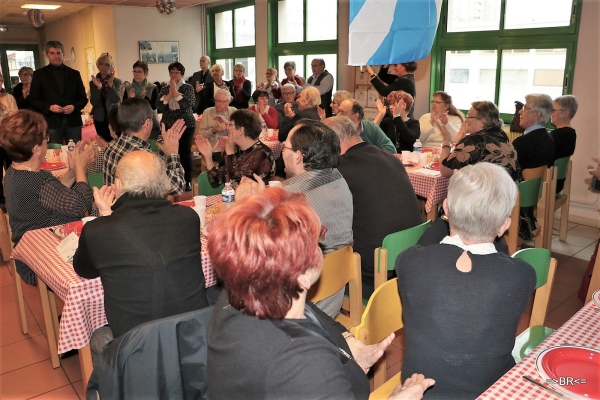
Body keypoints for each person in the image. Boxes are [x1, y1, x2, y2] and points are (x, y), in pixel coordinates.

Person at [207, 188, 406, 399]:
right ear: (301, 274)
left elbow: (317, 318)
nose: (321, 245)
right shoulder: (303, 364)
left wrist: (351, 346)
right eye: (316, 240)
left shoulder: (246, 293)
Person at [396, 162, 536, 399]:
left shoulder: (409, 262)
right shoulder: (522, 275)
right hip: (492, 391)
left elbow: (432, 251)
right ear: (505, 225)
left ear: (445, 208)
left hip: (421, 391)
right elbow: (491, 267)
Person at [74, 150, 209, 349]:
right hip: (193, 337)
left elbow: (84, 270)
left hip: (136, 346)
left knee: (97, 336)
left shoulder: (98, 230)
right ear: (164, 184)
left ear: (118, 185)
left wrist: (104, 213)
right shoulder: (188, 218)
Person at [325, 116, 421, 298]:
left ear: (334, 141)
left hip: (369, 276)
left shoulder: (341, 169)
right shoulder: (390, 158)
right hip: (406, 265)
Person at [0, 110, 96, 285]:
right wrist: (81, 168)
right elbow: (80, 204)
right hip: (44, 258)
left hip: (30, 252)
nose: (47, 141)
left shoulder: (14, 173)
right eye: (45, 138)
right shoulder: (38, 180)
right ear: (36, 149)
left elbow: (52, 193)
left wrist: (73, 170)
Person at [280, 120, 353, 317]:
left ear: (298, 156)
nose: (282, 151)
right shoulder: (339, 181)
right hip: (331, 304)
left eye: (285, 146)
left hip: (302, 312)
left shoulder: (290, 201)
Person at [103, 97, 185, 196]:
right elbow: (178, 187)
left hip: (116, 208)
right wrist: (173, 154)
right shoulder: (141, 155)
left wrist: (165, 151)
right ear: (147, 124)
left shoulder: (112, 146)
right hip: (141, 210)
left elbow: (154, 171)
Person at [440, 101, 521, 181]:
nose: (466, 120)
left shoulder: (474, 140)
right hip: (509, 190)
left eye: (469, 116)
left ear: (482, 121)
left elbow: (445, 171)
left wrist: (446, 141)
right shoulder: (501, 135)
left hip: (488, 192)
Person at [195, 109, 275, 188]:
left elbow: (237, 187)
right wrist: (208, 157)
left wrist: (230, 154)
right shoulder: (235, 148)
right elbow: (216, 182)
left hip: (255, 200)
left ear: (241, 130)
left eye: (230, 125)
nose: (227, 128)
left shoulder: (262, 154)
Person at [29, 41, 88, 144]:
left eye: (58, 53)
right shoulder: (39, 74)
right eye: (52, 53)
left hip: (73, 121)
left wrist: (74, 106)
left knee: (75, 152)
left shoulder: (74, 74)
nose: (56, 56)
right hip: (51, 121)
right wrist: (49, 107)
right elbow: (33, 99)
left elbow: (83, 98)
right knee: (54, 153)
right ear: (47, 55)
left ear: (63, 54)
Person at [156, 62, 196, 191]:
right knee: (170, 152)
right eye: (171, 72)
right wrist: (170, 93)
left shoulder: (188, 87)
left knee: (184, 153)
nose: (174, 75)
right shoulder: (164, 87)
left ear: (182, 74)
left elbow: (188, 104)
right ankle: (172, 179)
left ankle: (187, 180)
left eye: (176, 72)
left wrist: (175, 91)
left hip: (186, 125)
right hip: (169, 126)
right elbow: (159, 106)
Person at [513, 93, 555, 170]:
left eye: (525, 108)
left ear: (536, 114)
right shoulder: (549, 139)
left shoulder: (522, 143)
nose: (520, 112)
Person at [122, 61, 160, 139]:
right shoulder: (128, 88)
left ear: (146, 74)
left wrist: (144, 98)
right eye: (135, 71)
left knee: (150, 150)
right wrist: (130, 99)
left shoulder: (152, 87)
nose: (136, 74)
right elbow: (124, 108)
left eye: (139, 72)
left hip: (150, 126)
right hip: (133, 125)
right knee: (136, 150)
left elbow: (155, 107)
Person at [89, 54, 122, 143]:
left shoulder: (117, 81)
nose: (103, 67)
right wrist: (99, 88)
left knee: (115, 141)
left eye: (107, 65)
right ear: (98, 66)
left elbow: (116, 99)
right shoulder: (93, 83)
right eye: (101, 64)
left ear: (111, 67)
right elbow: (94, 102)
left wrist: (111, 86)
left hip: (114, 117)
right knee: (102, 142)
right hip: (99, 118)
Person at [550, 95, 578, 193]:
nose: (551, 113)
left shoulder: (558, 135)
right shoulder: (571, 133)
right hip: (557, 183)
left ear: (565, 113)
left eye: (553, 110)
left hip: (548, 184)